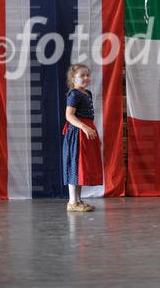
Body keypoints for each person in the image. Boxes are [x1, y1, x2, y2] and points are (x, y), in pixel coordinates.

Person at [63, 64, 103, 212]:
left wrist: (90, 129)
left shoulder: (88, 93)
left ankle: (78, 200)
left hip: (86, 131)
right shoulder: (74, 94)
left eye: (88, 75)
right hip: (77, 133)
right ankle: (72, 202)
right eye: (82, 76)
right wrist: (84, 127)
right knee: (75, 165)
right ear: (73, 79)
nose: (86, 78)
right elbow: (69, 115)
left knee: (81, 167)